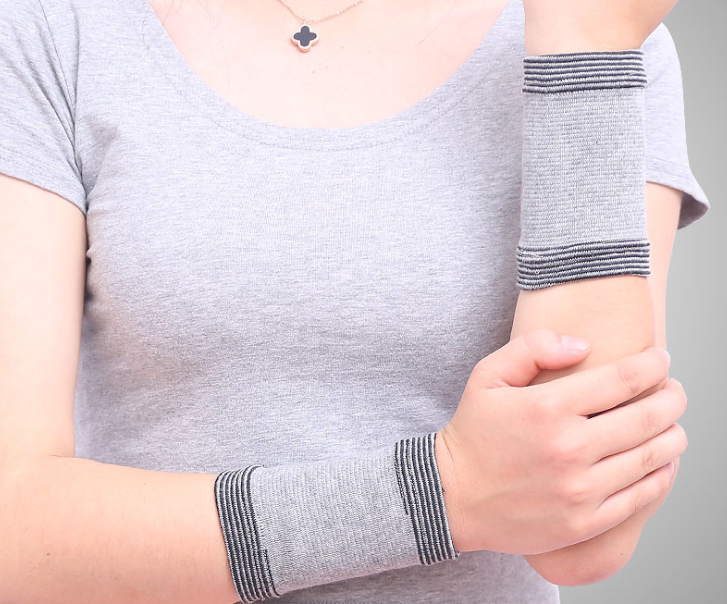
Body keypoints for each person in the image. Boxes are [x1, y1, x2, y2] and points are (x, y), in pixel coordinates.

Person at [0, 0, 710, 603]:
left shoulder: (598, 33)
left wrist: (585, 45)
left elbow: (583, 531)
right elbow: (14, 531)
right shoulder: (54, 28)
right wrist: (443, 494)